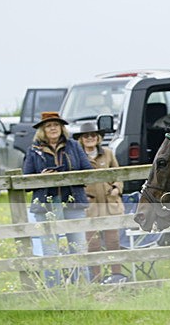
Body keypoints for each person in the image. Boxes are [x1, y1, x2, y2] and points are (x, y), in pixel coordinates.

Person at [23, 112, 93, 287]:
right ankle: (53, 289)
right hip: (45, 205)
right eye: (48, 125)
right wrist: (41, 177)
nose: (53, 128)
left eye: (56, 125)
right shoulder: (33, 150)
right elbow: (25, 182)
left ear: (62, 128)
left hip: (73, 201)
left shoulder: (74, 146)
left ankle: (82, 287)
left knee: (78, 248)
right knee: (50, 250)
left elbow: (88, 171)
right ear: (42, 130)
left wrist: (68, 175)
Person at [74, 121, 124, 282]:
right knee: (92, 244)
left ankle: (117, 276)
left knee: (113, 242)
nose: (90, 138)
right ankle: (96, 279)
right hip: (90, 206)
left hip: (110, 204)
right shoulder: (77, 155)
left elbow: (119, 174)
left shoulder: (108, 153)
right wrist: (82, 194)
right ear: (81, 139)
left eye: (93, 135)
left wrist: (116, 188)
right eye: (86, 136)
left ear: (98, 137)